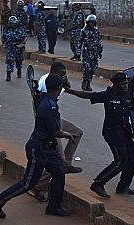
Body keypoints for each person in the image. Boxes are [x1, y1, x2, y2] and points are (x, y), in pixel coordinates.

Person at [0, 75, 74, 218]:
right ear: (57, 88)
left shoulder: (46, 99)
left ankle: (54, 206)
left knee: (59, 172)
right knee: (28, 183)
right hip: (38, 149)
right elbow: (56, 132)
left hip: (48, 148)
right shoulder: (48, 106)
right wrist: (68, 135)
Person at [66, 72, 134, 198]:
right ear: (116, 85)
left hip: (125, 133)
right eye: (123, 84)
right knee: (120, 162)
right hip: (113, 134)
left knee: (133, 157)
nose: (126, 86)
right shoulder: (107, 95)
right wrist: (69, 91)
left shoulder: (127, 94)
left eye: (126, 84)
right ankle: (98, 184)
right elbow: (87, 95)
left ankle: (123, 187)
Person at [28, 62, 83, 202]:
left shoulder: (57, 81)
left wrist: (65, 79)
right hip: (49, 123)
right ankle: (38, 187)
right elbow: (42, 99)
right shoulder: (44, 83)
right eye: (61, 74)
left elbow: (68, 88)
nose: (63, 77)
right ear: (52, 73)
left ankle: (67, 164)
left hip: (56, 118)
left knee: (77, 133)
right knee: (58, 161)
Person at [80, 14, 103, 91]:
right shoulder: (83, 31)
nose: (91, 24)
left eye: (93, 22)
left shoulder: (97, 31)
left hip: (94, 54)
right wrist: (78, 53)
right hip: (86, 53)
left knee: (92, 69)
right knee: (87, 68)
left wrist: (100, 51)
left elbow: (99, 41)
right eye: (90, 22)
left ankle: (88, 83)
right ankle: (84, 81)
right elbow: (79, 42)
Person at [2, 16, 27, 81]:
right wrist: (4, 43)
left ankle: (19, 70)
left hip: (18, 47)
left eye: (13, 23)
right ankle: (8, 75)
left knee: (18, 61)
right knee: (9, 60)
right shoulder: (7, 30)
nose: (12, 24)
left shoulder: (20, 29)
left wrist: (22, 44)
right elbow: (3, 37)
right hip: (10, 47)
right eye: (10, 23)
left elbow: (25, 38)